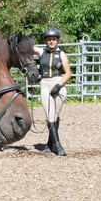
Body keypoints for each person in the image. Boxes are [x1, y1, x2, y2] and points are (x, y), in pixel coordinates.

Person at [33, 26, 72, 156]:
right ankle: (58, 145)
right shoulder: (40, 52)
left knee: (55, 115)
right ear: (45, 41)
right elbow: (27, 47)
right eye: (49, 39)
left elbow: (68, 73)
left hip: (58, 84)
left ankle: (50, 145)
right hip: (45, 84)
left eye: (54, 39)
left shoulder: (62, 54)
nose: (51, 41)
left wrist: (59, 86)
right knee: (50, 115)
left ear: (57, 41)